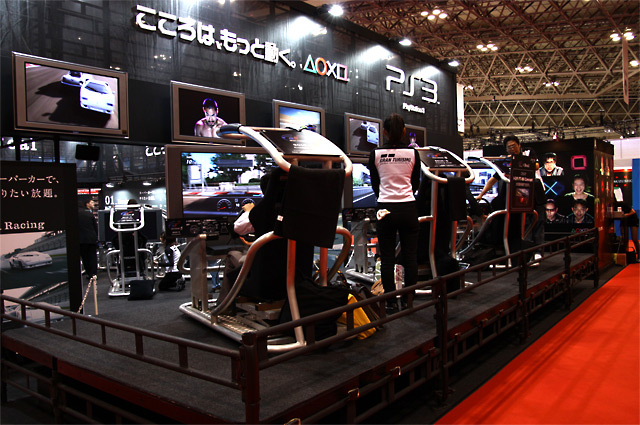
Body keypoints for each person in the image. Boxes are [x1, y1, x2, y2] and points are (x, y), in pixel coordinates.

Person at [369, 113, 421, 313]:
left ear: (384, 132)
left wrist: (385, 196)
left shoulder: (375, 154)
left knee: (387, 257)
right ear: (404, 131)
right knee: (410, 257)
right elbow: (415, 183)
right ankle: (409, 300)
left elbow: (375, 184)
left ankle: (390, 302)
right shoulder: (413, 153)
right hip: (408, 207)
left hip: (385, 208)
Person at [78, 196, 98, 279]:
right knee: (93, 256)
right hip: (91, 238)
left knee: (85, 257)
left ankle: (89, 273)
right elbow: (95, 227)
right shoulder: (89, 214)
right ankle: (94, 273)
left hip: (81, 240)